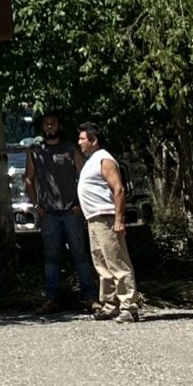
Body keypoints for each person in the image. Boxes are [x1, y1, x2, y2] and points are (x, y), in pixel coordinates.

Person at [26, 111, 96, 314]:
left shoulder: (70, 149)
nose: (50, 127)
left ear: (59, 126)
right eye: (46, 124)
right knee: (51, 258)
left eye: (53, 123)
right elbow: (28, 179)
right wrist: (36, 205)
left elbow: (85, 177)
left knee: (80, 255)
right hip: (49, 213)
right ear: (42, 127)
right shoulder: (35, 151)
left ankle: (90, 297)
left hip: (70, 211)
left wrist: (80, 205)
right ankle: (51, 299)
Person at [76, 122, 139, 322]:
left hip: (106, 218)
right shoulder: (91, 161)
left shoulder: (104, 159)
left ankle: (129, 306)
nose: (79, 143)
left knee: (117, 262)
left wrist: (119, 220)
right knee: (101, 264)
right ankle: (110, 304)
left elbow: (118, 189)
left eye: (82, 139)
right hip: (94, 219)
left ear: (94, 141)